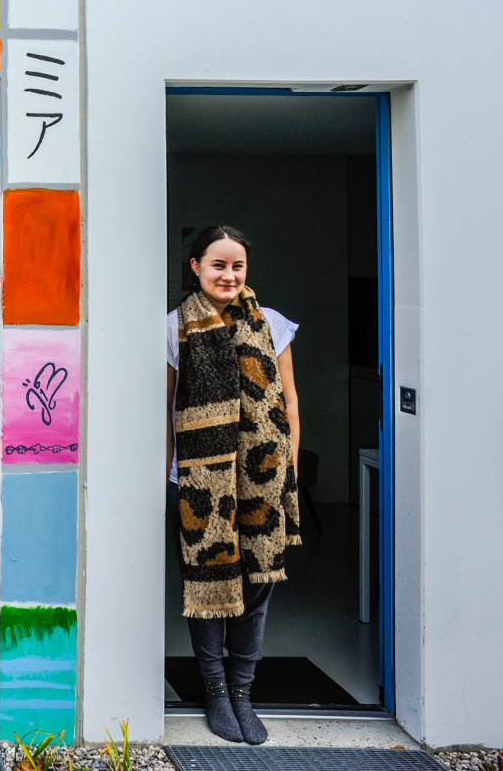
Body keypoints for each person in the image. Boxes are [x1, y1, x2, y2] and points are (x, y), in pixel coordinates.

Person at [165, 225, 301, 746]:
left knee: (257, 586)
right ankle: (216, 690)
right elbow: (166, 407)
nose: (228, 275)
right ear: (195, 267)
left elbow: (289, 402)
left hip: (264, 481)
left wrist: (286, 471)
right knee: (208, 585)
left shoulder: (273, 324)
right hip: (199, 481)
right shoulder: (174, 328)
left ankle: (243, 690)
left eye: (237, 265)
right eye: (218, 264)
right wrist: (169, 476)